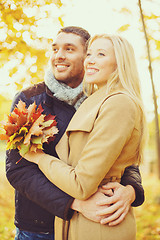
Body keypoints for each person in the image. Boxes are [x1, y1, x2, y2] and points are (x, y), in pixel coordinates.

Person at [6, 27, 144, 240]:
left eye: (69, 49)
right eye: (55, 49)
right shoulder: (30, 99)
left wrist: (131, 189)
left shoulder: (105, 100)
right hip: (38, 226)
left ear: (83, 57)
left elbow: (123, 158)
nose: (59, 55)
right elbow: (18, 170)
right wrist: (75, 204)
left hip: (89, 224)